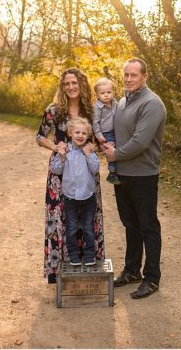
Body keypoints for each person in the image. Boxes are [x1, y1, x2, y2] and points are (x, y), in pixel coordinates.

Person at [104, 57, 167, 300]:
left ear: (144, 77)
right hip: (123, 174)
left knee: (148, 226)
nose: (129, 79)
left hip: (143, 175)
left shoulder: (152, 104)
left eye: (134, 75)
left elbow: (140, 141)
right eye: (126, 75)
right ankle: (132, 271)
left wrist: (116, 153)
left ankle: (152, 278)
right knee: (130, 224)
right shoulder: (122, 102)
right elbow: (119, 133)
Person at [36, 68, 105, 284]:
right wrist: (56, 147)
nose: (70, 87)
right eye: (66, 83)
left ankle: (88, 265)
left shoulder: (92, 111)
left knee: (87, 218)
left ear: (81, 84)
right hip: (61, 172)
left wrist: (96, 149)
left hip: (86, 173)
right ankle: (58, 270)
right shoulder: (54, 110)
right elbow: (40, 137)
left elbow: (101, 139)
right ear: (62, 86)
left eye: (74, 82)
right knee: (60, 218)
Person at [49, 116, 101, 268]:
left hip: (88, 196)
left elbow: (95, 169)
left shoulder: (89, 151)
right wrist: (62, 157)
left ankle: (89, 254)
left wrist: (88, 154)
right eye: (77, 132)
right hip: (70, 196)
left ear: (88, 135)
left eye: (84, 133)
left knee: (88, 227)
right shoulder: (65, 150)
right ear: (70, 133)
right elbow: (56, 169)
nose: (80, 135)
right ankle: (73, 254)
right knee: (71, 227)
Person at [93, 78, 120, 185]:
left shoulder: (115, 103)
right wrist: (99, 135)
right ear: (97, 95)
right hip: (105, 133)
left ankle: (119, 169)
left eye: (109, 92)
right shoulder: (97, 107)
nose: (106, 95)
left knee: (119, 148)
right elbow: (95, 123)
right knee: (111, 149)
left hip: (116, 130)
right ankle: (112, 173)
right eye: (102, 93)